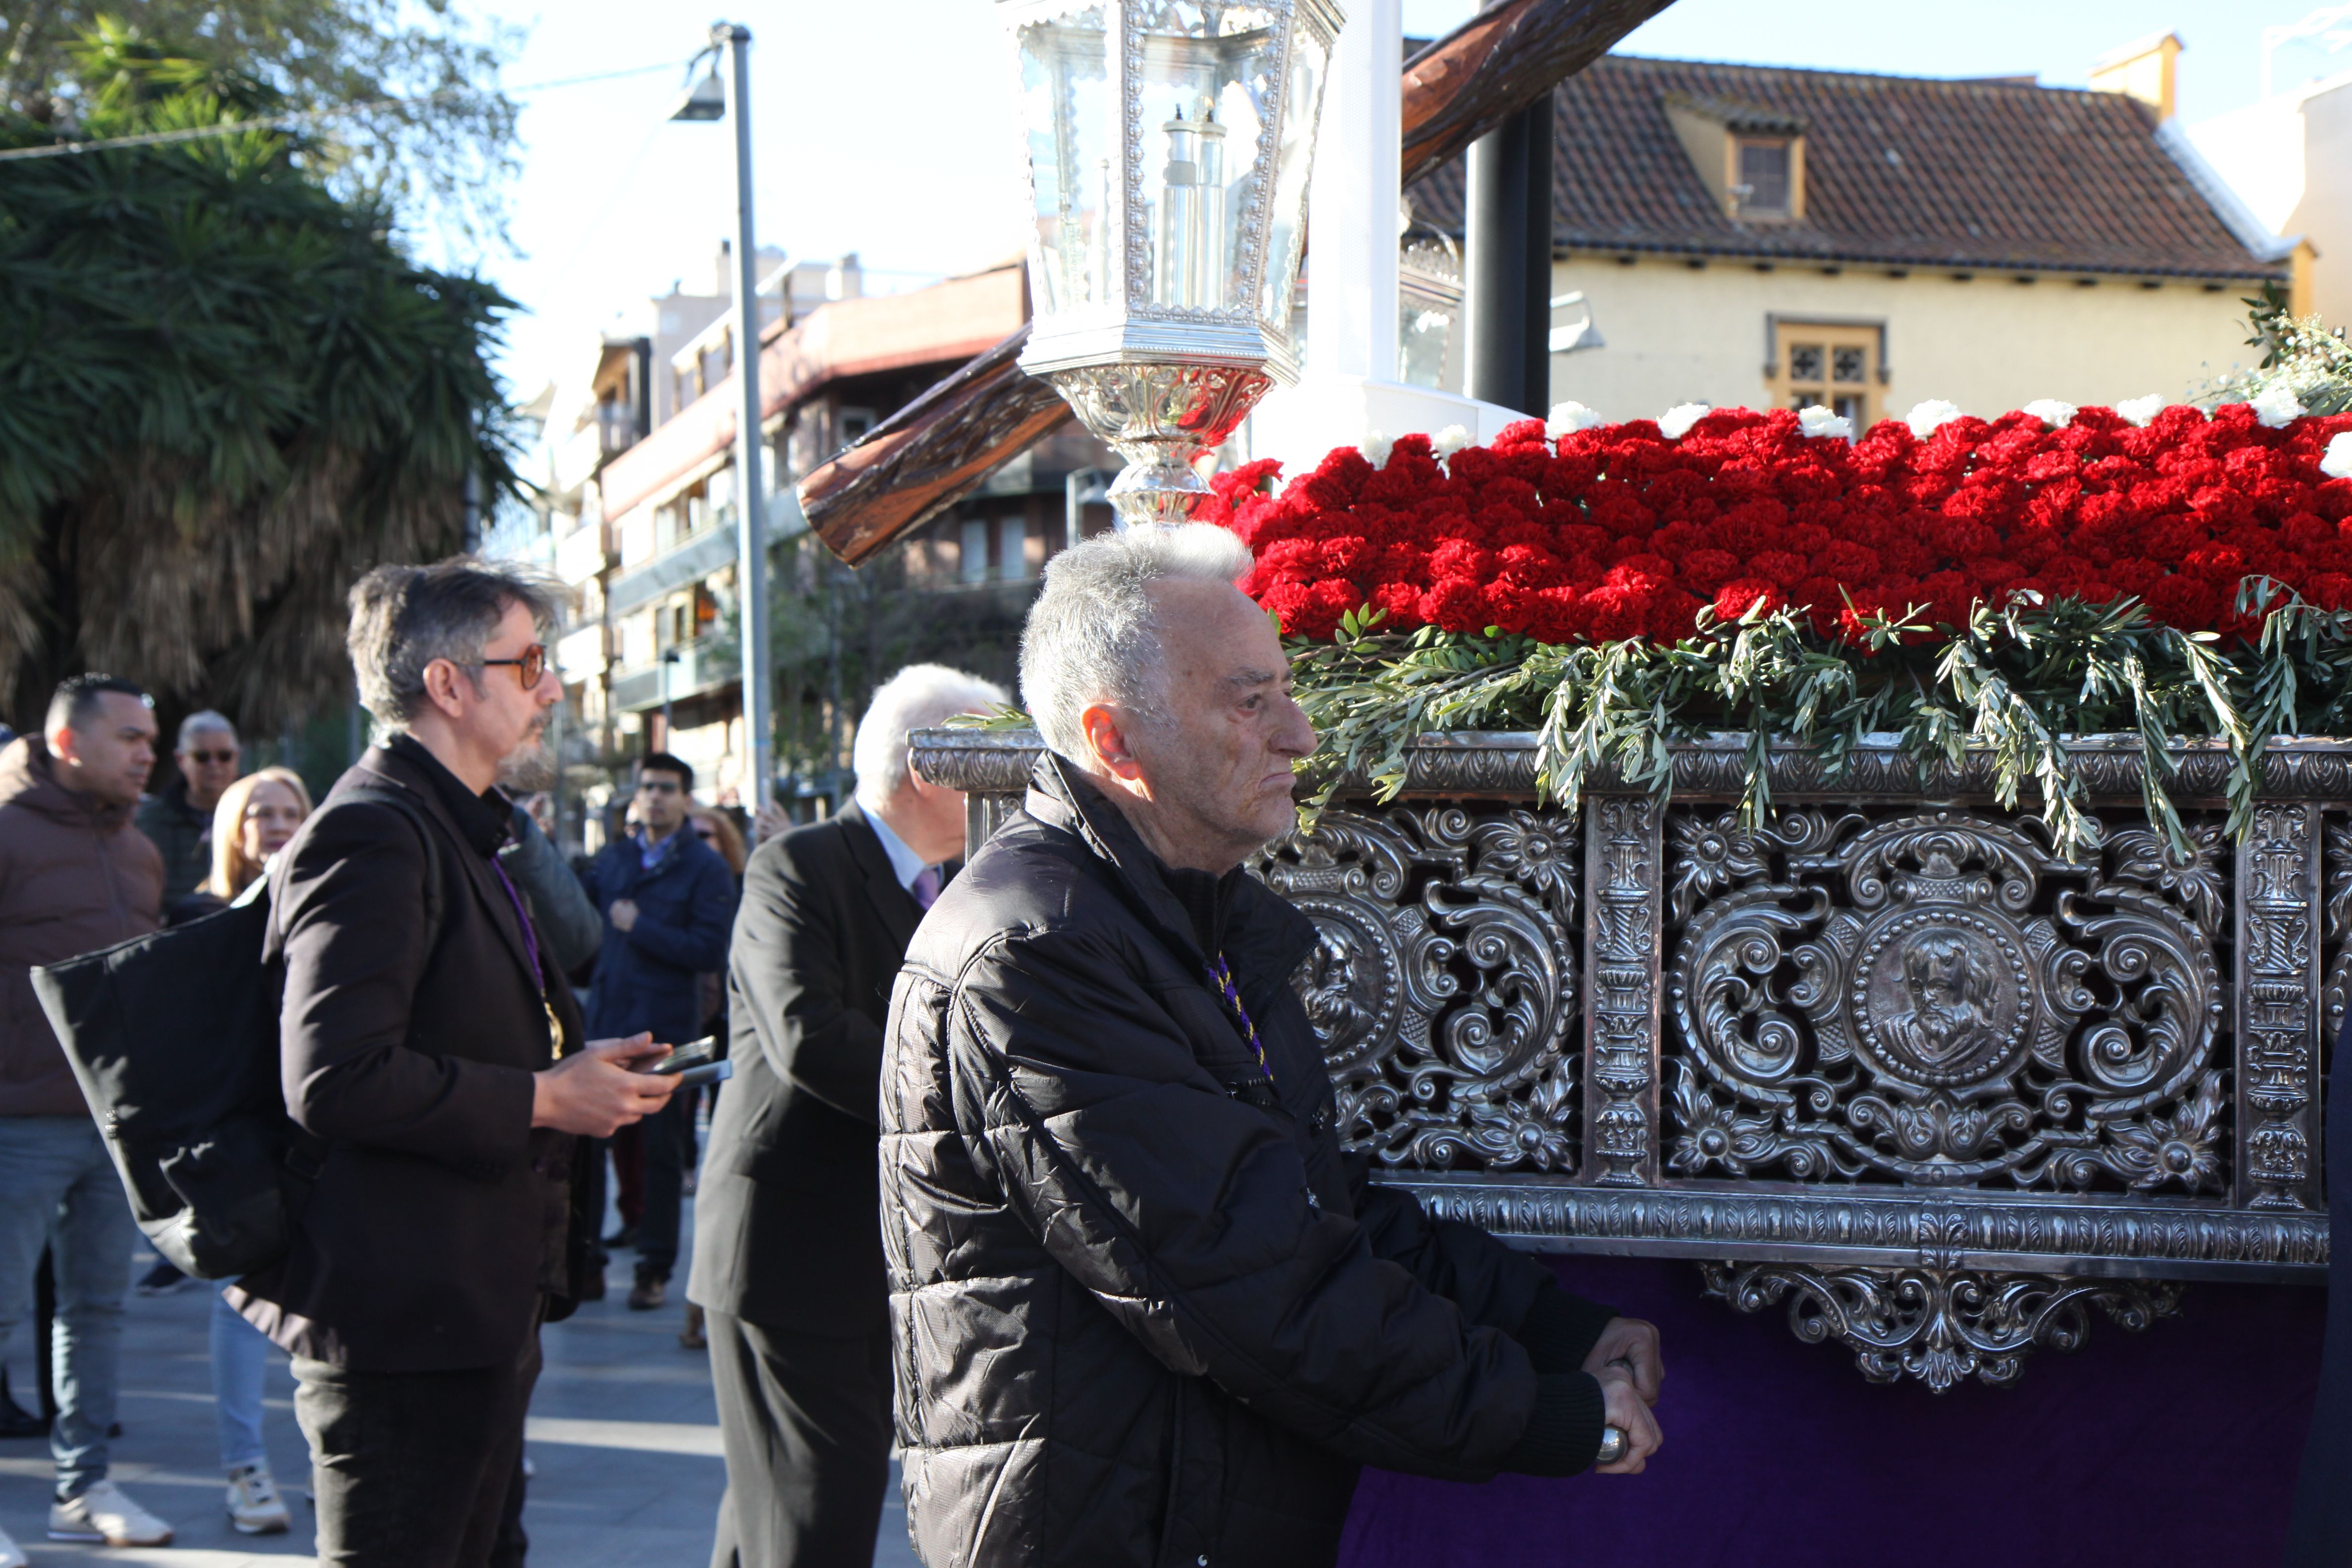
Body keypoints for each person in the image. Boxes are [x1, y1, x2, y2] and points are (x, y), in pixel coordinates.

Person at [882, 527, 1666, 1568]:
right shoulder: (1040, 949)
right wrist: (1559, 1417)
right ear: (1116, 742)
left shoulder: (1184, 916)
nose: (1298, 734)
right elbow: (1254, 1286)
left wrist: (1554, 1327)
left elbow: (1309, 1199)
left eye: (1286, 692)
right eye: (1250, 703)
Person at [226, 558, 677, 1568]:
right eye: (528, 664)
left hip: (467, 1310)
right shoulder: (374, 831)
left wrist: (571, 1062)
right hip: (400, 1323)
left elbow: (436, 1028)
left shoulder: (450, 824)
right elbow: (335, 1077)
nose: (551, 688)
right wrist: (540, 1096)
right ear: (447, 683)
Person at [692, 663, 1006, 1568]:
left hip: (874, 1250)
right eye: (989, 760)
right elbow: (808, 1035)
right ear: (929, 769)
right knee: (813, 1504)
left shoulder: (955, 885)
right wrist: (971, 1100)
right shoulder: (799, 863)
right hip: (786, 1249)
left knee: (781, 1505)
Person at [0, 675, 170, 1560]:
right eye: (131, 737)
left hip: (113, 1130)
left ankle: (85, 1485)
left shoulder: (139, 850)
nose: (150, 752)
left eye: (152, 738)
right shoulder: (7, 833)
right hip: (15, 1124)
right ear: (69, 743)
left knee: (96, 1309)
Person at [174, 766, 314, 1535]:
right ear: (234, 826)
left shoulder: (333, 902)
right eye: (260, 810)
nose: (276, 821)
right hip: (234, 1138)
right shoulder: (199, 914)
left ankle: (332, 1462)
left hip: (315, 1131)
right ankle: (246, 1469)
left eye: (291, 809)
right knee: (238, 1306)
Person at [584, 753, 735, 1313]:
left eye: (667, 789)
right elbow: (579, 921)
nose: (655, 797)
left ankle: (654, 1270)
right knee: (590, 1147)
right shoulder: (615, 859)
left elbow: (707, 951)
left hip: (671, 1035)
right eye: (647, 787)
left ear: (684, 799)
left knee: (664, 1154)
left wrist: (638, 927)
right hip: (606, 1025)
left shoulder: (705, 868)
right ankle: (589, 1264)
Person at [135, 710, 240, 898]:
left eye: (224, 756)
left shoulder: (257, 816)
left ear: (237, 757)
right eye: (202, 757)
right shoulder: (150, 821)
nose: (214, 765)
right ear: (181, 760)